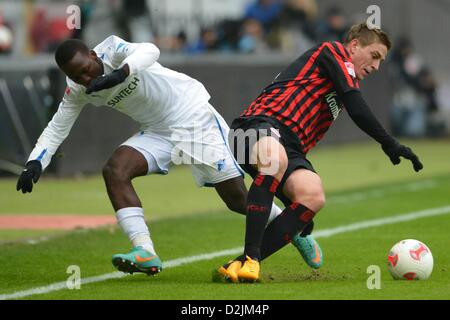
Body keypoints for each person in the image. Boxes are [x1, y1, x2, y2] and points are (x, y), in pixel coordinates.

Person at [15, 35, 320, 276]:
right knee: (115, 170)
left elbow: (150, 50)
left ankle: (291, 227)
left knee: (237, 200)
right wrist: (35, 162)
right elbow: (57, 127)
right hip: (158, 130)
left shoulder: (112, 49)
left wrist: (121, 73)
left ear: (93, 56)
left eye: (85, 71)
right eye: (75, 76)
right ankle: (144, 250)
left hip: (191, 115)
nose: (84, 79)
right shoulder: (78, 89)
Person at [218, 22, 423, 283]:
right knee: (274, 159)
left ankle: (236, 266)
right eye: (374, 56)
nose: (375, 66)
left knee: (312, 195)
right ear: (354, 45)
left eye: (381, 61)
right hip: (257, 125)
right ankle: (251, 258)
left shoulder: (343, 85)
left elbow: (352, 101)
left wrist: (295, 214)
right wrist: (390, 143)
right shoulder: (331, 51)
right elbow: (357, 107)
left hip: (290, 146)